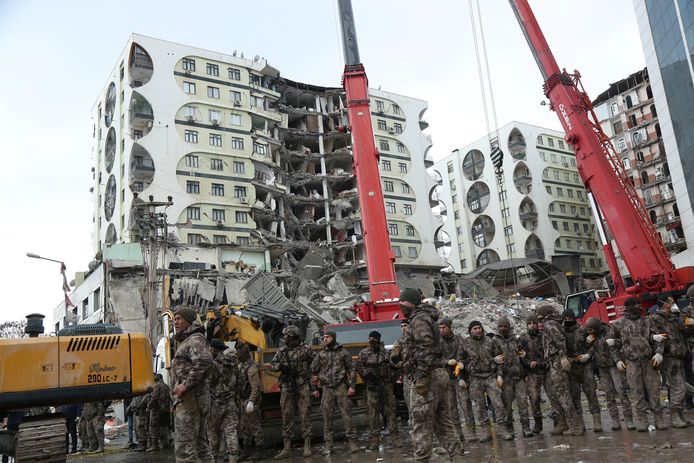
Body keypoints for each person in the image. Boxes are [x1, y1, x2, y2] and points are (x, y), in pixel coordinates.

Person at [400, 287, 462, 462]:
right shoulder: (424, 317)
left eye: (402, 301)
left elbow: (424, 348)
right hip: (437, 374)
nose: (399, 304)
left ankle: (422, 459)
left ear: (411, 302)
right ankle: (457, 456)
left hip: (428, 377)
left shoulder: (418, 319)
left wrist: (420, 376)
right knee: (442, 422)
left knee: (421, 422)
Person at [612, 297, 668, 430]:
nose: (640, 307)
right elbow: (612, 344)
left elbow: (659, 338)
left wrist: (659, 353)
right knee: (637, 393)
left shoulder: (647, 321)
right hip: (631, 363)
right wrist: (618, 360)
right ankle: (642, 420)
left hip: (649, 361)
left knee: (654, 390)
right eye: (637, 305)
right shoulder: (618, 324)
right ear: (629, 307)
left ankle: (658, 419)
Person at [171, 306, 214, 463]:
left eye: (179, 318)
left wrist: (186, 385)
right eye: (174, 319)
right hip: (191, 400)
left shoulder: (194, 339)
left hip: (191, 400)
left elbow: (205, 360)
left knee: (184, 450)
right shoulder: (189, 340)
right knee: (201, 447)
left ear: (188, 320)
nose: (175, 322)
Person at [459, 320, 511, 442]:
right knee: (480, 406)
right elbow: (460, 361)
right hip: (474, 378)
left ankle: (502, 429)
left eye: (479, 328)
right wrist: (461, 377)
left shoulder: (490, 341)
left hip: (490, 376)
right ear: (470, 331)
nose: (478, 330)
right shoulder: (465, 343)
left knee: (498, 403)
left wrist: (500, 375)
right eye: (475, 328)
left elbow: (500, 359)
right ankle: (485, 431)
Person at [536, 305, 583, 436]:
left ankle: (575, 425)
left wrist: (562, 357)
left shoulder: (550, 324)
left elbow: (560, 341)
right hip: (553, 361)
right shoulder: (553, 323)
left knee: (563, 394)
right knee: (557, 394)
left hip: (557, 361)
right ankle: (565, 423)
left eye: (539, 316)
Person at [270, 325, 315, 459]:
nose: (284, 338)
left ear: (293, 336)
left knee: (305, 414)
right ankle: (287, 447)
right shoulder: (282, 351)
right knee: (286, 415)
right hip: (287, 386)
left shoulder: (306, 349)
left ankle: (307, 445)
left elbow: (316, 362)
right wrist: (282, 367)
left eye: (287, 335)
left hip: (302, 385)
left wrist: (312, 376)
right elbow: (272, 365)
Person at [310, 331, 359, 455]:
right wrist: (314, 388)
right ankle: (329, 444)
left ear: (334, 338)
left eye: (328, 337)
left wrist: (352, 386)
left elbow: (352, 368)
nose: (325, 339)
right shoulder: (320, 354)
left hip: (341, 386)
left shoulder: (343, 352)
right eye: (324, 337)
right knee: (327, 416)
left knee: (347, 414)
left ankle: (352, 441)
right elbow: (312, 371)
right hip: (326, 388)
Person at [650, 296, 693, 427]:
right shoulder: (657, 318)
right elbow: (658, 337)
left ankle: (680, 415)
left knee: (681, 386)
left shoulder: (674, 317)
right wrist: (659, 352)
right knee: (677, 387)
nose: (674, 304)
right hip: (669, 357)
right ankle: (674, 417)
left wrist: (688, 323)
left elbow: (684, 332)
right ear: (664, 304)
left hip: (680, 354)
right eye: (671, 302)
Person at [585, 317, 634, 431]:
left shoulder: (610, 330)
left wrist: (618, 360)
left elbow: (622, 341)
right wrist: (588, 349)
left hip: (613, 366)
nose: (589, 332)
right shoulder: (594, 336)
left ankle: (629, 420)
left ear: (597, 328)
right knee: (609, 395)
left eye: (591, 330)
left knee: (621, 392)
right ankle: (615, 421)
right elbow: (593, 348)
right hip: (602, 367)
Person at [355, 330, 400, 450]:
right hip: (372, 387)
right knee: (373, 414)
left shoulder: (385, 352)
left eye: (374, 338)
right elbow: (359, 366)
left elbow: (394, 367)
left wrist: (391, 381)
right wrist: (367, 377)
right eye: (370, 338)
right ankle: (375, 439)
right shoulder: (364, 352)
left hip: (385, 386)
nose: (371, 340)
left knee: (391, 411)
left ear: (378, 340)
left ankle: (394, 437)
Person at [562, 310, 602, 432]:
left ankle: (597, 420)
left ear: (574, 318)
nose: (568, 320)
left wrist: (588, 354)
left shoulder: (583, 330)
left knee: (591, 392)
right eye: (565, 318)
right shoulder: (561, 333)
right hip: (571, 367)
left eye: (570, 318)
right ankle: (580, 424)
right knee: (574, 396)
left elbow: (594, 344)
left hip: (585, 366)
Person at [494, 316, 532, 437]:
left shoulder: (515, 339)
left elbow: (523, 355)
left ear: (509, 326)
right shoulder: (494, 341)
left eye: (505, 326)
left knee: (523, 403)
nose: (503, 328)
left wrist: (525, 362)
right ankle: (509, 428)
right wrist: (498, 375)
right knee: (507, 405)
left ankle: (526, 428)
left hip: (519, 376)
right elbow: (493, 359)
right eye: (500, 326)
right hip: (505, 378)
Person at [208, 339, 239, 463]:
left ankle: (214, 459)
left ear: (214, 349)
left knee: (213, 434)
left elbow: (207, 384)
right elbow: (240, 382)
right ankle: (233, 459)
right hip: (231, 402)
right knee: (231, 432)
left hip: (215, 404)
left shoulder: (212, 365)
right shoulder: (234, 363)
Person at [438, 317, 468, 446]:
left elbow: (466, 355)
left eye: (444, 327)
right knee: (451, 408)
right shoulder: (438, 342)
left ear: (449, 328)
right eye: (440, 328)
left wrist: (462, 364)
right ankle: (458, 435)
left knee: (465, 404)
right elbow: (436, 359)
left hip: (459, 377)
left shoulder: (459, 340)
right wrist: (446, 362)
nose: (441, 330)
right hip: (446, 379)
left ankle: (471, 432)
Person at [519, 313, 547, 434]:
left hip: (546, 370)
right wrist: (528, 363)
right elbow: (519, 355)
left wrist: (542, 363)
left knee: (553, 396)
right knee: (534, 398)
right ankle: (538, 423)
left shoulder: (544, 336)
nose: (532, 325)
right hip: (532, 373)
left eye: (534, 323)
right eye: (529, 324)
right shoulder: (523, 338)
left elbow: (549, 352)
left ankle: (559, 422)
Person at [236, 342, 264, 461]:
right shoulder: (241, 365)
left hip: (250, 400)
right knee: (244, 426)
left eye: (238, 351)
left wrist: (251, 401)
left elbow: (255, 387)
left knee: (254, 426)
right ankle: (246, 450)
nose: (237, 353)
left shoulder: (251, 367)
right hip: (243, 399)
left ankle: (260, 451)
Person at [390, 320, 412, 410]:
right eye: (402, 326)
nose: (403, 328)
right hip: (407, 374)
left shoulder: (416, 339)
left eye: (405, 325)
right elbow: (393, 357)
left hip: (420, 372)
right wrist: (399, 364)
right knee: (409, 398)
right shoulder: (399, 341)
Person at [147, 373, 171, 451]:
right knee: (163, 426)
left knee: (153, 427)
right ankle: (165, 442)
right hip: (165, 409)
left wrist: (149, 406)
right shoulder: (167, 386)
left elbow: (154, 397)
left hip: (156, 409)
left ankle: (155, 445)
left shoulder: (156, 385)